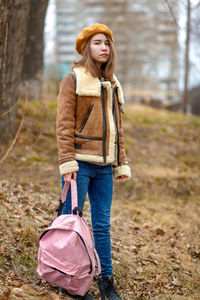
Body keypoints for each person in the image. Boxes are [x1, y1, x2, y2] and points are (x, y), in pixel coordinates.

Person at [56, 23, 131, 300]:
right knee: (70, 221)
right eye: (98, 42)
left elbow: (117, 129)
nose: (104, 47)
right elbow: (63, 125)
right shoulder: (73, 79)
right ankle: (66, 278)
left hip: (104, 168)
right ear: (87, 47)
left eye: (107, 43)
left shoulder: (112, 84)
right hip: (79, 165)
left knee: (102, 225)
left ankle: (106, 282)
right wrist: (67, 163)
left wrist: (120, 162)